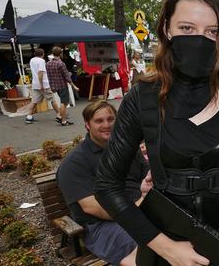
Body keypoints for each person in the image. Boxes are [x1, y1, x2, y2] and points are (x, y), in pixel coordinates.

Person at [94, 0, 219, 266]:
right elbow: (107, 185)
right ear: (167, 29)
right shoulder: (143, 98)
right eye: (186, 28)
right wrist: (167, 249)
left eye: (211, 31)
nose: (199, 40)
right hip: (165, 250)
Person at [57, 100, 150, 265]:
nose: (106, 125)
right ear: (87, 125)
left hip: (143, 210)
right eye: (99, 121)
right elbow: (92, 207)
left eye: (111, 119)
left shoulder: (127, 148)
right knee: (150, 246)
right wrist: (138, 208)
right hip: (103, 226)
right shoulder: (74, 162)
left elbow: (149, 176)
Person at [46, 46, 80, 126]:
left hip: (54, 86)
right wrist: (74, 85)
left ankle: (60, 117)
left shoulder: (48, 63)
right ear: (60, 53)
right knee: (64, 103)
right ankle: (62, 119)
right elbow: (66, 76)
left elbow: (49, 75)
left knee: (63, 102)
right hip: (62, 85)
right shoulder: (61, 63)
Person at [25, 48, 60, 124]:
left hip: (35, 84)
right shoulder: (41, 61)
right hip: (43, 84)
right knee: (52, 99)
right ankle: (59, 115)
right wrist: (41, 85)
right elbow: (40, 73)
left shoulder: (32, 60)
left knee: (34, 101)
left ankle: (29, 117)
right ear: (43, 54)